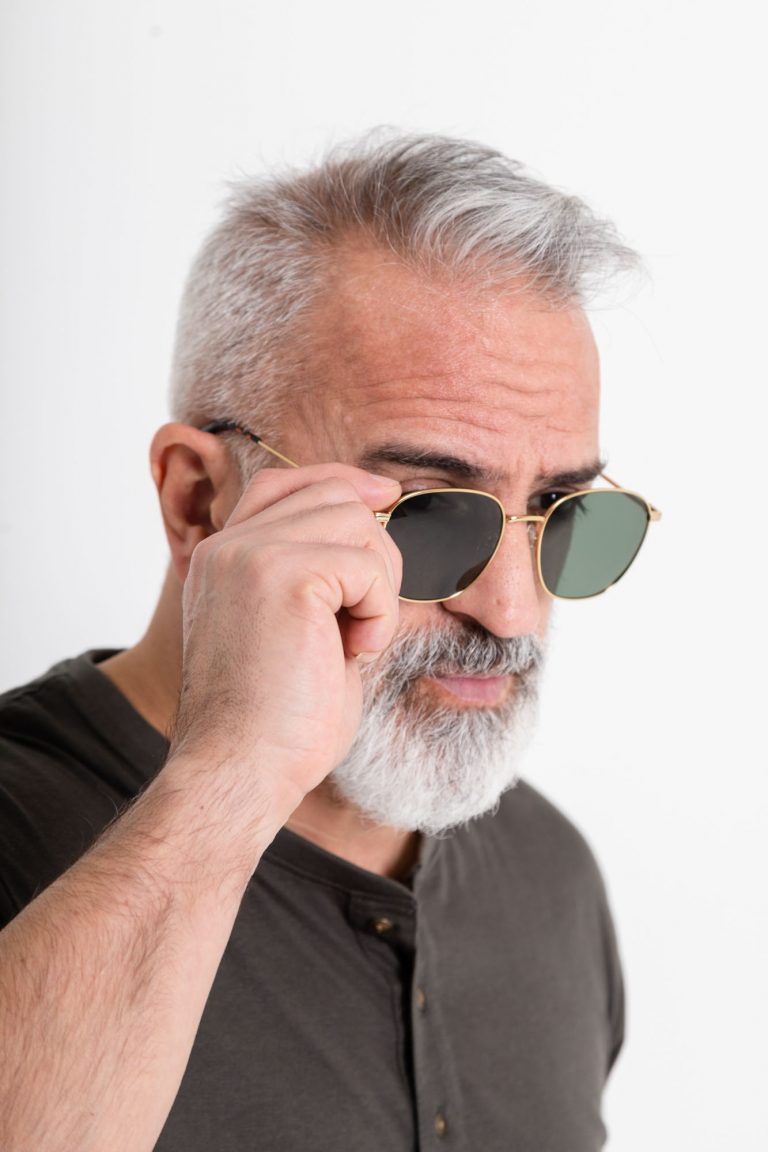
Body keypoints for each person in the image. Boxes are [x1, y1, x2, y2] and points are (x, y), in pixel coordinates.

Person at [0, 133, 659, 1151]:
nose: (514, 611)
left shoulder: (548, 874)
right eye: (431, 515)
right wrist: (230, 782)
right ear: (199, 501)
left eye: (562, 514)